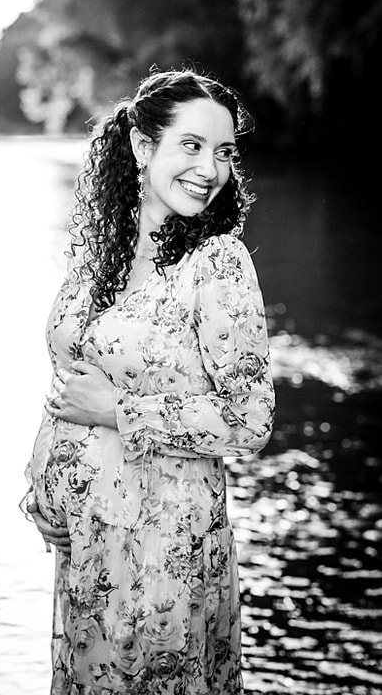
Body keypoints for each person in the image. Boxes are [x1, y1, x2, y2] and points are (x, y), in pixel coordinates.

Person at [21, 70, 274, 693]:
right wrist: (40, 491)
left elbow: (250, 419)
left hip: (166, 548)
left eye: (223, 152)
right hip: (86, 547)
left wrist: (122, 410)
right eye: (191, 145)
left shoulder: (216, 262)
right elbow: (67, 387)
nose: (209, 169)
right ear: (142, 147)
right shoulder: (95, 260)